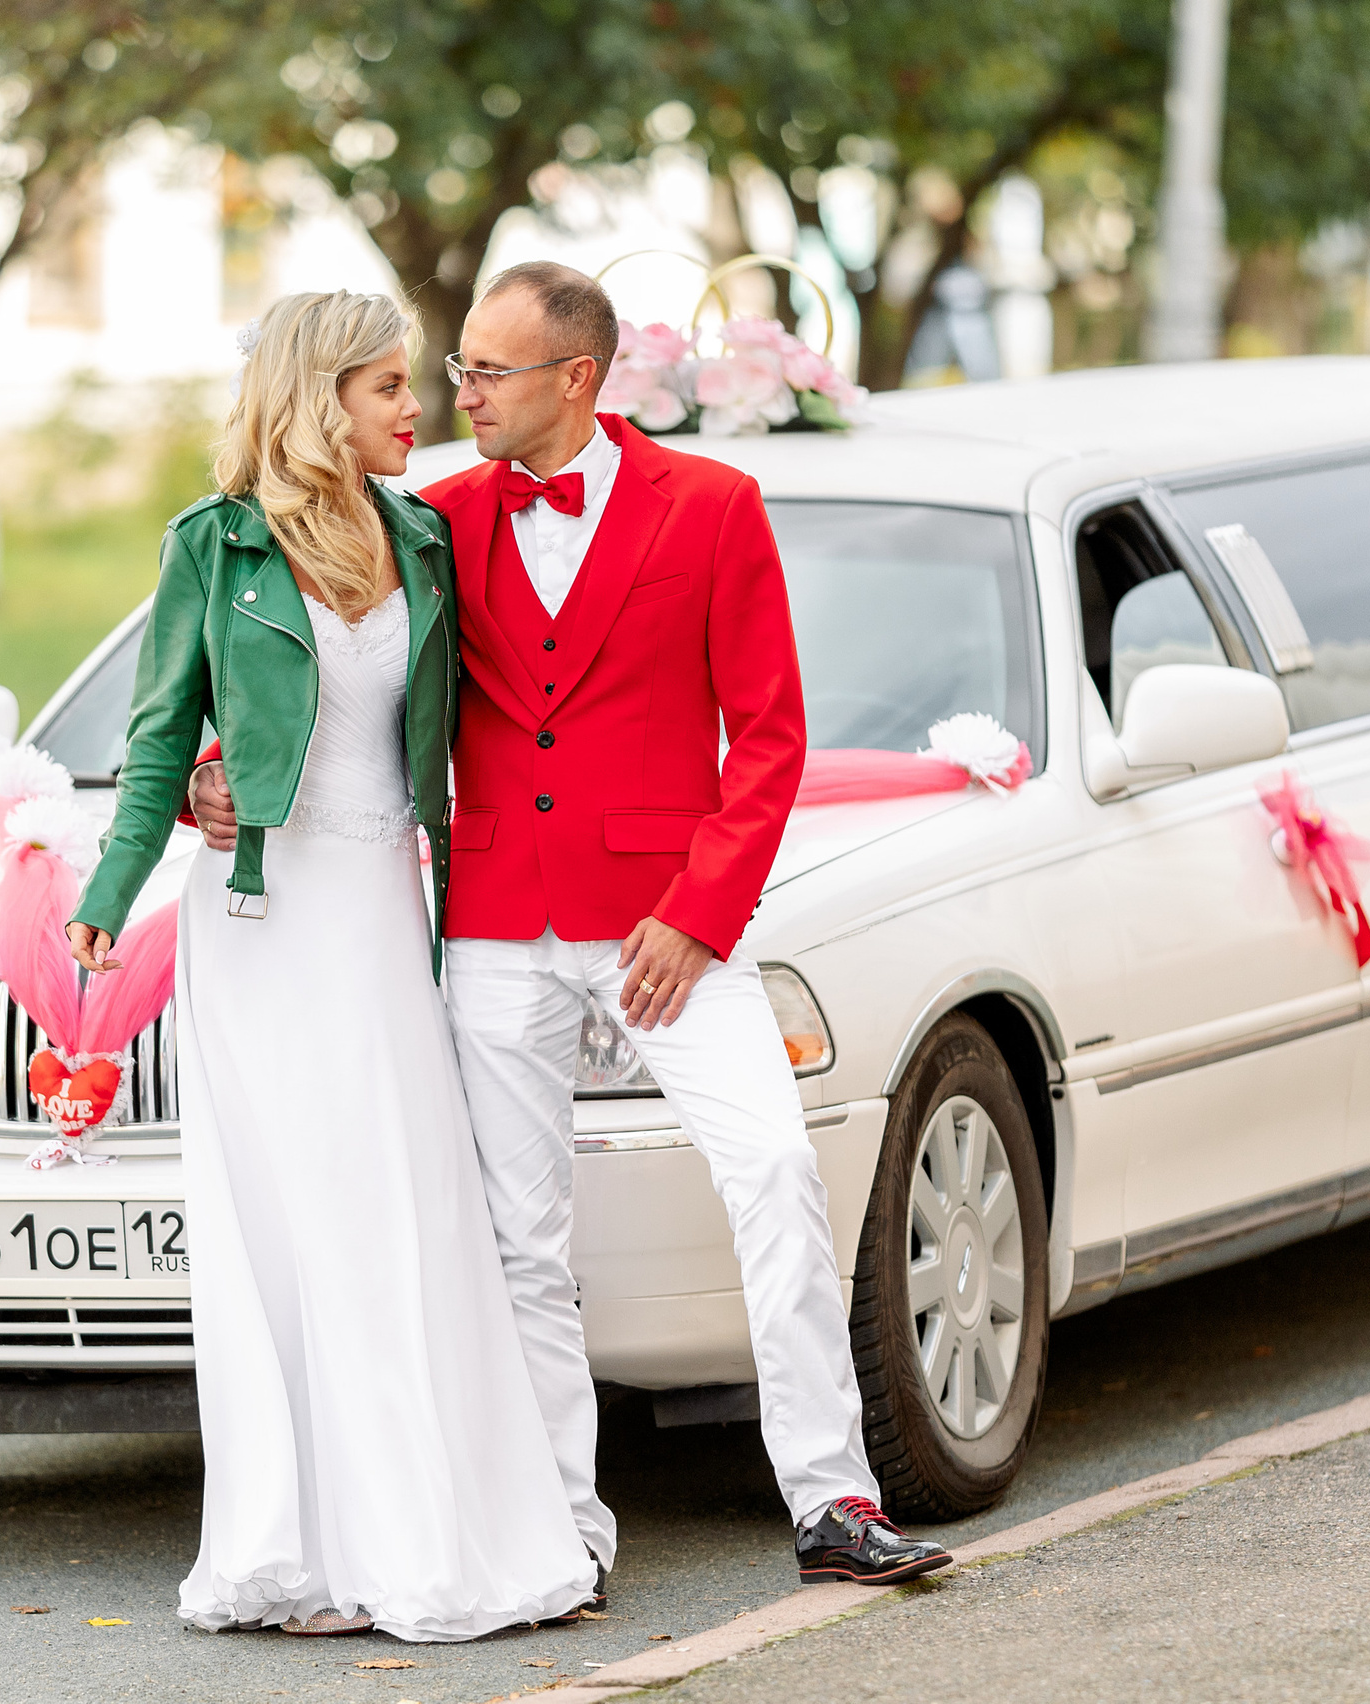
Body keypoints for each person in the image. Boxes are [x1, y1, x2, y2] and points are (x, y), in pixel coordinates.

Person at [192, 262, 955, 1587]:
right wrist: (223, 770)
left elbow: (770, 738)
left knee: (773, 1169)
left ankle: (832, 1497)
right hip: (491, 918)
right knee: (519, 1236)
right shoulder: (427, 522)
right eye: (457, 368)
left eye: (489, 371)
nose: (459, 391)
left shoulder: (713, 508)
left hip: (667, 928)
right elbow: (309, 653)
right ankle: (565, 1528)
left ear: (578, 379)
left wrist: (698, 914)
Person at [63, 290, 598, 1642]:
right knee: (285, 1242)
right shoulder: (213, 548)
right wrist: (114, 889)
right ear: (318, 402)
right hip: (259, 933)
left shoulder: (424, 535)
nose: (415, 411)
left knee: (402, 1225)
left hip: (380, 923)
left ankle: (420, 1537)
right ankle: (295, 1550)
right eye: (387, 390)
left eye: (414, 388)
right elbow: (155, 739)